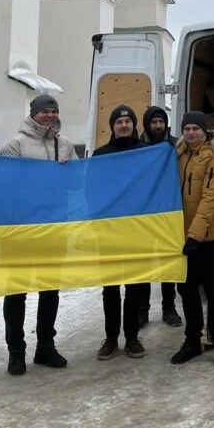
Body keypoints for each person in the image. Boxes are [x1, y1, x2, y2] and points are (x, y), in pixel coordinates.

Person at [0, 94, 76, 376]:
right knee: (16, 292)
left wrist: (69, 173)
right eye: (44, 111)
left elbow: (77, 183)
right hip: (19, 230)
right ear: (33, 114)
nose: (50, 115)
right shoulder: (15, 144)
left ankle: (45, 345)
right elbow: (3, 183)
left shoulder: (65, 145)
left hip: (54, 228)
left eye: (54, 111)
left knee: (50, 289)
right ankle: (15, 350)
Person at [170, 111, 214, 370]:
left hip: (209, 237)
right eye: (187, 129)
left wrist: (195, 235)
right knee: (186, 291)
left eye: (196, 128)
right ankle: (192, 340)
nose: (191, 133)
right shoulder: (178, 154)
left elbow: (210, 199)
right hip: (182, 236)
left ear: (205, 131)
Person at [91, 105, 149, 361]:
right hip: (109, 231)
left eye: (128, 121)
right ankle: (111, 338)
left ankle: (132, 337)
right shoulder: (100, 155)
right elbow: (91, 190)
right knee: (110, 288)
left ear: (134, 125)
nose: (124, 125)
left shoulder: (147, 153)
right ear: (112, 127)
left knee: (136, 286)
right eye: (119, 122)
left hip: (137, 230)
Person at [139, 106, 182, 329]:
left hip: (168, 212)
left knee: (168, 261)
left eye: (161, 122)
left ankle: (169, 308)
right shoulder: (136, 148)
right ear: (147, 124)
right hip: (142, 215)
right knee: (144, 264)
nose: (158, 126)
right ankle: (142, 310)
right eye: (154, 122)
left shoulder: (176, 145)